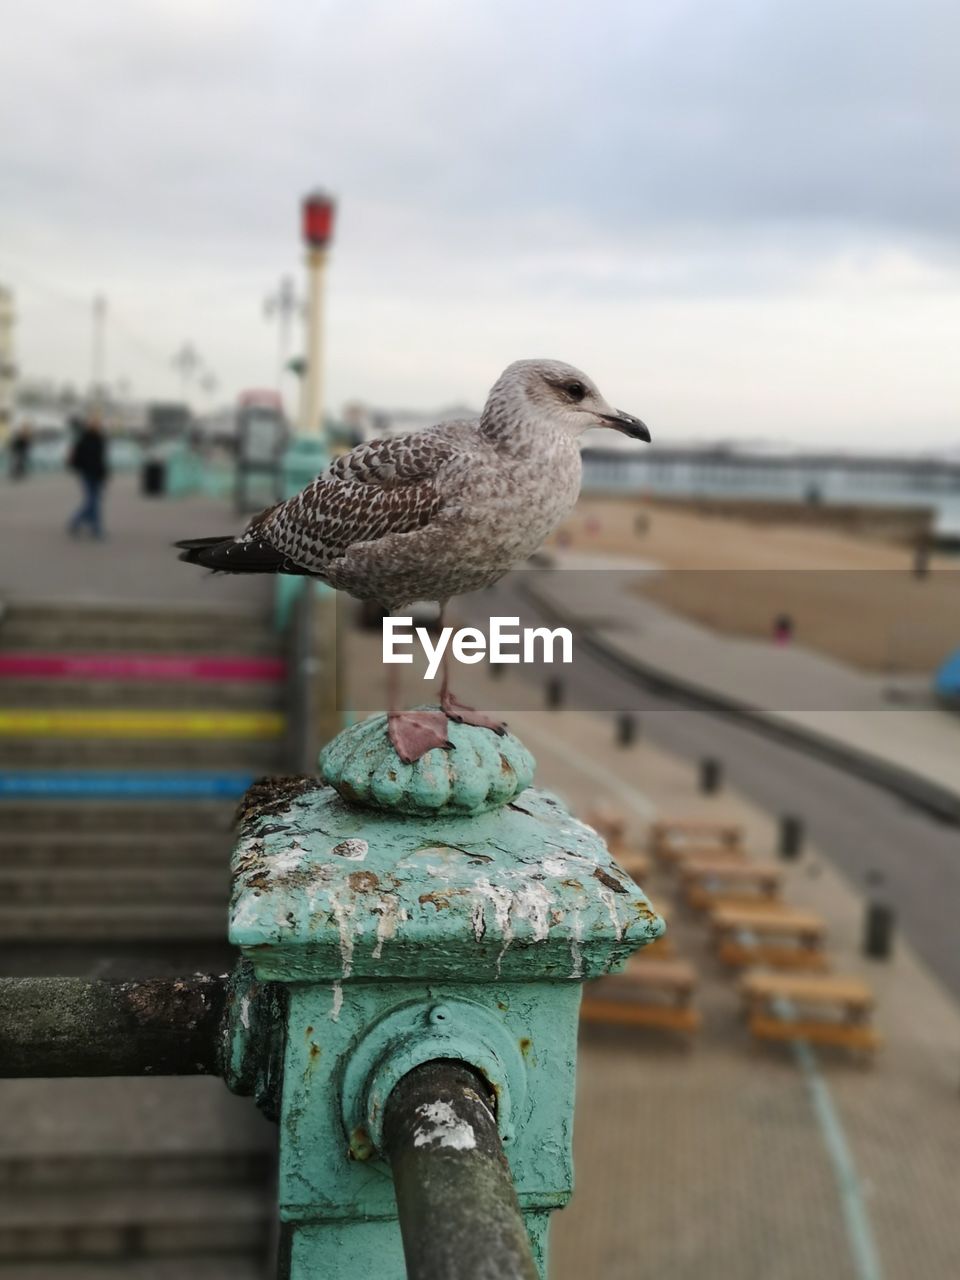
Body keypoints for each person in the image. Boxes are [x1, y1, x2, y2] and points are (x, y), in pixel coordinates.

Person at [67, 415, 109, 538]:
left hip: (98, 474)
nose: (96, 426)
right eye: (94, 424)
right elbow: (79, 457)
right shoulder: (84, 439)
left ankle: (76, 521)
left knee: (93, 502)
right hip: (87, 473)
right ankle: (96, 529)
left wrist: (105, 473)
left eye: (98, 424)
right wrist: (82, 468)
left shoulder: (101, 439)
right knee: (93, 502)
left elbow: (102, 459)